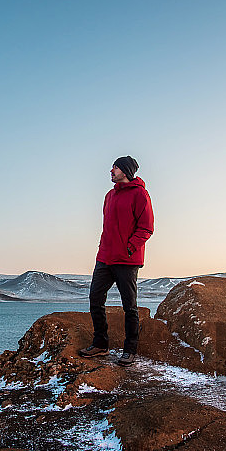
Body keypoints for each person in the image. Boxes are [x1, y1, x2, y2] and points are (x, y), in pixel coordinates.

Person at [79, 156, 154, 367]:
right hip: (105, 258)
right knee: (95, 299)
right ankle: (101, 345)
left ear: (126, 171)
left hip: (127, 260)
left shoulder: (140, 194)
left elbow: (146, 227)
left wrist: (130, 247)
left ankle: (130, 350)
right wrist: (103, 248)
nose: (111, 170)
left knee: (129, 306)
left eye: (115, 167)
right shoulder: (109, 196)